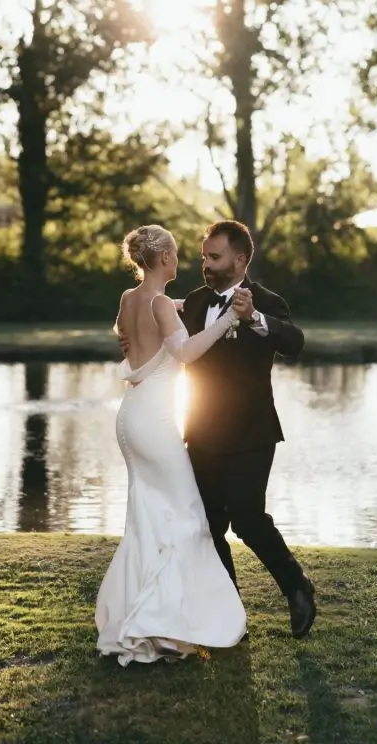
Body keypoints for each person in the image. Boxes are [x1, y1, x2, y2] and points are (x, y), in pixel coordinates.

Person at [95, 224, 246, 665]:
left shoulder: (130, 299)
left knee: (149, 519)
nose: (181, 260)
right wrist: (229, 320)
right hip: (155, 424)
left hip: (129, 419)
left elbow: (137, 328)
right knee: (187, 517)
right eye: (177, 253)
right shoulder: (160, 304)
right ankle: (166, 626)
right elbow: (185, 352)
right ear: (163, 258)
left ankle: (150, 622)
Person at [180, 220, 316, 639]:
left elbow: (294, 342)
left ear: (239, 260)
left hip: (251, 433)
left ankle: (297, 586)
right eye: (204, 256)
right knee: (207, 525)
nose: (206, 264)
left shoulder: (268, 302)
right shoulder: (196, 301)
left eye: (214, 257)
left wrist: (252, 317)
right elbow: (176, 349)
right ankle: (228, 611)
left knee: (248, 519)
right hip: (200, 429)